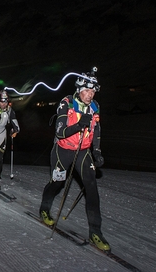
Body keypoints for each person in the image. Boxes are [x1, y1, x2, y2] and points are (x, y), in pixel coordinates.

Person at [38, 69, 110, 252]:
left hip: (83, 152)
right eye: (87, 90)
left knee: (92, 188)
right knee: (57, 183)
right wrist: (79, 125)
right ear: (79, 89)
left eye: (93, 91)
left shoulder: (94, 106)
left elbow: (97, 130)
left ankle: (96, 232)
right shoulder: (66, 103)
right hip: (63, 151)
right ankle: (44, 209)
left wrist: (97, 151)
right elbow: (60, 132)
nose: (90, 95)